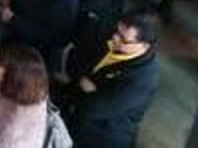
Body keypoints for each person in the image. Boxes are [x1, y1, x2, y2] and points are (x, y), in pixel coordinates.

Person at [66, 10, 161, 148]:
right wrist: (84, 82)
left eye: (123, 39)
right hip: (76, 114)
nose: (115, 38)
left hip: (102, 136)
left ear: (144, 46)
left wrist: (83, 80)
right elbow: (73, 57)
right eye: (117, 31)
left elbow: (95, 109)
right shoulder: (112, 36)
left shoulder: (143, 79)